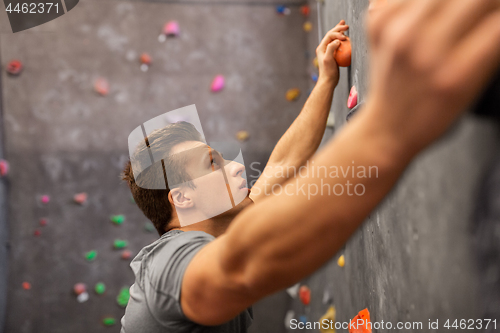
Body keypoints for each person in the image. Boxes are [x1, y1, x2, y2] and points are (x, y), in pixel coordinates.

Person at [120, 0, 500, 331]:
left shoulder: (216, 232)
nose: (235, 168)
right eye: (212, 164)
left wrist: (326, 82)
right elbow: (241, 267)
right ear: (182, 197)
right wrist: (391, 122)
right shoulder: (164, 269)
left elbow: (281, 167)